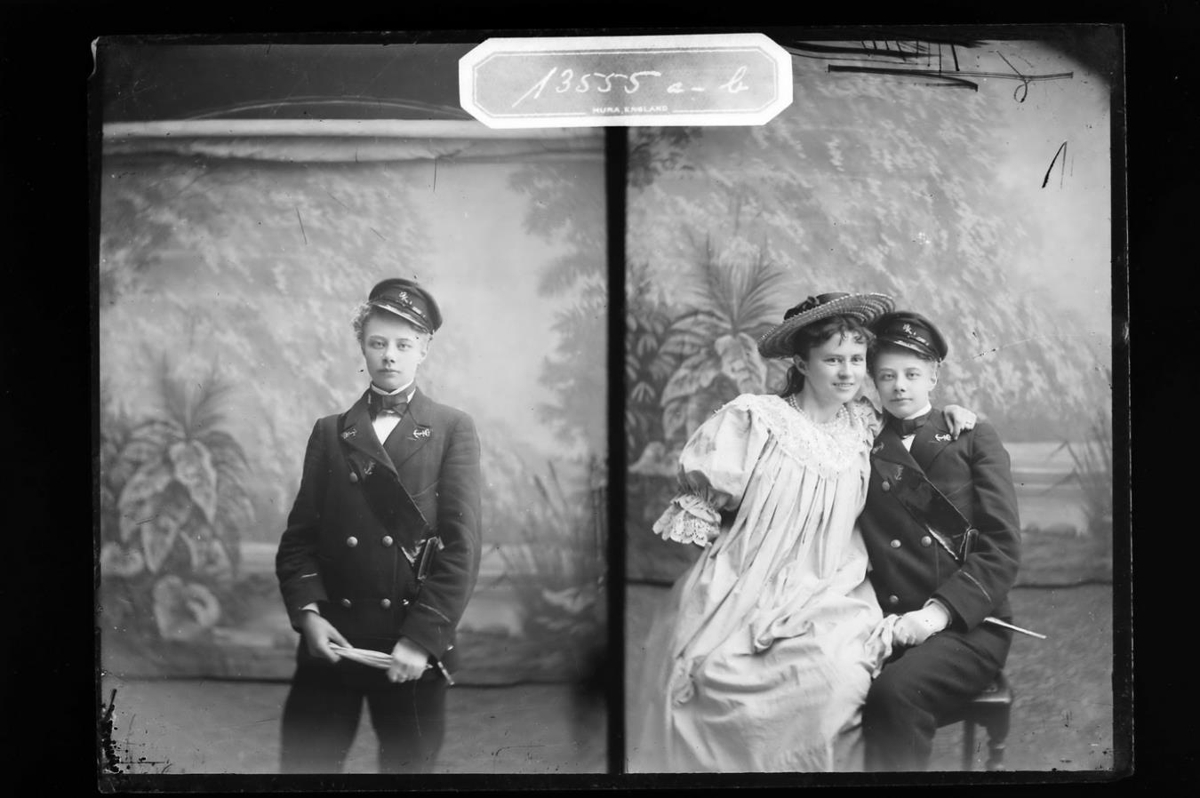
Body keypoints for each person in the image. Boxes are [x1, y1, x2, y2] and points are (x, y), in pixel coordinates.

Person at [627, 292, 974, 772]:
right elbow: (707, 508)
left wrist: (951, 413)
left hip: (832, 588)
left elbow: (917, 427)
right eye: (833, 360)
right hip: (747, 581)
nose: (848, 373)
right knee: (712, 679)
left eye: (857, 360)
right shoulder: (757, 419)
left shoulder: (866, 424)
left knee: (833, 681)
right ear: (802, 363)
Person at [275, 278, 482, 774]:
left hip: (409, 647)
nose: (389, 355)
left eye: (404, 345)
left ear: (424, 349)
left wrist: (421, 639)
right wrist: (308, 616)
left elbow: (462, 548)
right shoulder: (330, 431)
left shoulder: (452, 429)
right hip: (333, 643)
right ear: (362, 346)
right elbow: (299, 541)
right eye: (378, 342)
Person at [858, 311, 1021, 772]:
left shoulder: (972, 437)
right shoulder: (862, 440)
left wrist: (936, 615)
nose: (899, 387)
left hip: (968, 624)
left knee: (895, 694)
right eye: (886, 376)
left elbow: (1002, 546)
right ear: (873, 380)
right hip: (887, 620)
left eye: (912, 374)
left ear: (934, 375)